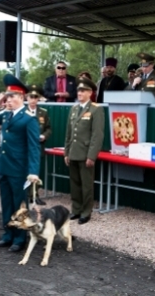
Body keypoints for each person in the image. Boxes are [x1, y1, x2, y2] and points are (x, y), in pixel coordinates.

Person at [0, 74, 41, 252]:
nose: (9, 99)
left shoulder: (29, 118)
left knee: (19, 205)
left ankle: (19, 238)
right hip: (5, 166)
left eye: (12, 96)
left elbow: (34, 148)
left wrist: (33, 171)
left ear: (22, 98)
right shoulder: (6, 115)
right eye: (7, 96)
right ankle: (8, 235)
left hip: (19, 169)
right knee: (6, 203)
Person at [64, 77, 104, 225]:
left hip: (86, 153)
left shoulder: (96, 109)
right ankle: (76, 209)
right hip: (74, 152)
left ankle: (86, 212)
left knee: (86, 185)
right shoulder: (74, 109)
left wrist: (92, 156)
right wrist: (66, 152)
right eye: (78, 90)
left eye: (83, 90)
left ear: (90, 92)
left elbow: (97, 135)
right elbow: (69, 133)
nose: (79, 93)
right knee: (75, 184)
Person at [26, 85, 52, 205]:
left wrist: (44, 136)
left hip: (38, 146)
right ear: (27, 97)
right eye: (31, 96)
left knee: (36, 170)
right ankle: (25, 195)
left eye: (36, 97)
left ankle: (35, 195)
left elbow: (48, 129)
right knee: (25, 171)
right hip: (25, 146)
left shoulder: (43, 112)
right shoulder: (22, 111)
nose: (33, 99)